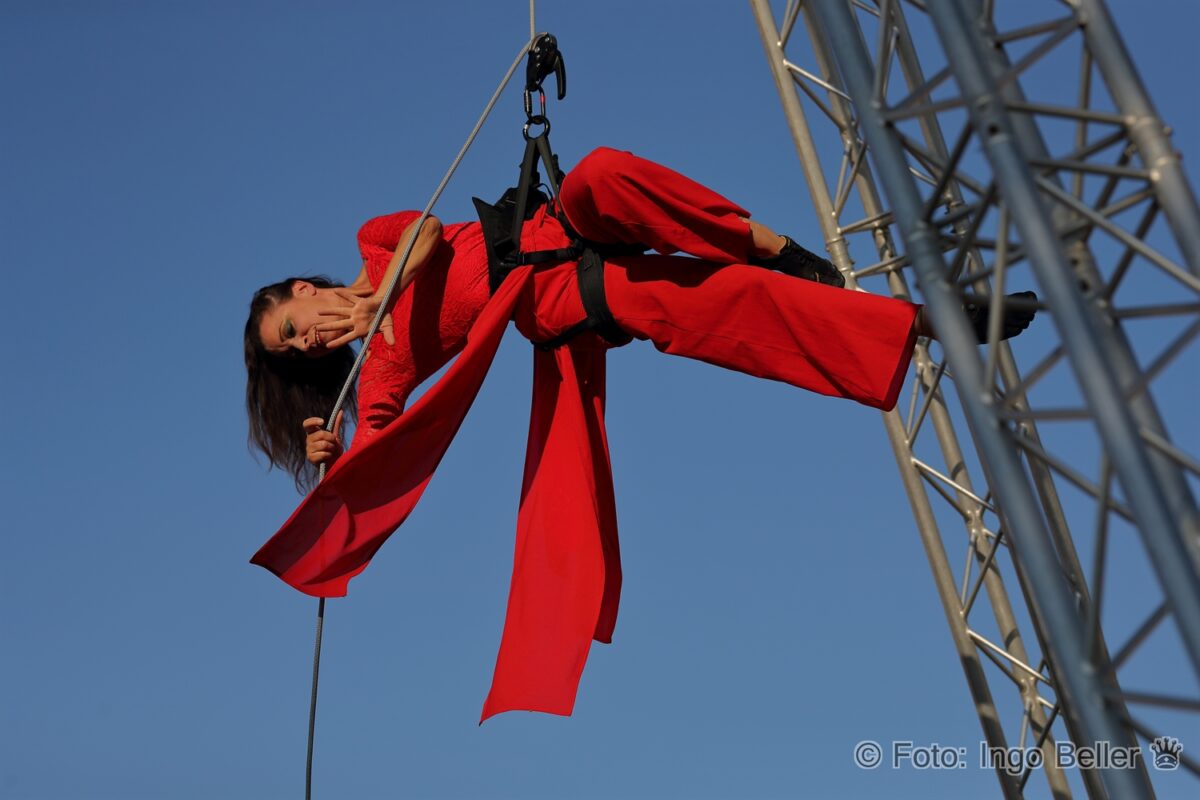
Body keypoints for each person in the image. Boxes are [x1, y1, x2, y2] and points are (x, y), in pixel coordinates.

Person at [244, 146, 1035, 720]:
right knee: (714, 309)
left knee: (600, 172)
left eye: (294, 323)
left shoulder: (372, 246)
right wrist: (334, 458)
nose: (307, 339)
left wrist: (379, 297)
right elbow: (385, 449)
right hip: (558, 295)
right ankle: (927, 327)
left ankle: (775, 247)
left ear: (303, 290)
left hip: (558, 220)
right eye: (293, 349)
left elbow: (424, 233)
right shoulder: (379, 370)